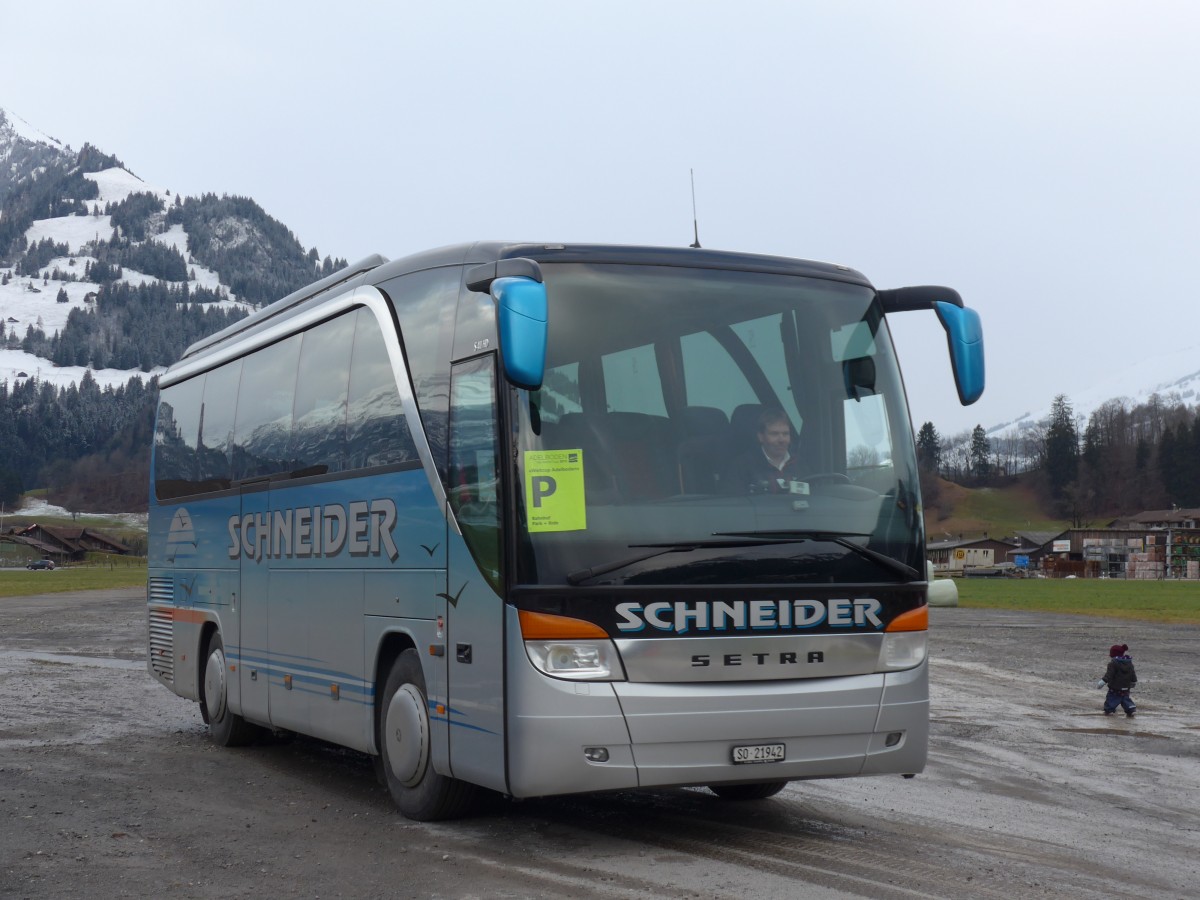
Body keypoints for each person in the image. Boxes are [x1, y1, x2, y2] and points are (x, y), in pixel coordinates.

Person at [722, 408, 802, 494]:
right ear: (761, 437)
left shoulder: (800, 464)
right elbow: (735, 504)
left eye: (785, 434)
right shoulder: (742, 466)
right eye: (774, 434)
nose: (781, 440)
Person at [1097, 643, 1138, 717]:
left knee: (1111, 698)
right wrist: (1133, 681)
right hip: (1126, 686)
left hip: (1115, 687)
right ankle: (1131, 710)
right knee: (1125, 698)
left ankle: (1109, 710)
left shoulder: (1113, 663)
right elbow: (1132, 673)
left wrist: (1103, 681)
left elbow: (1109, 675)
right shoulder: (1129, 663)